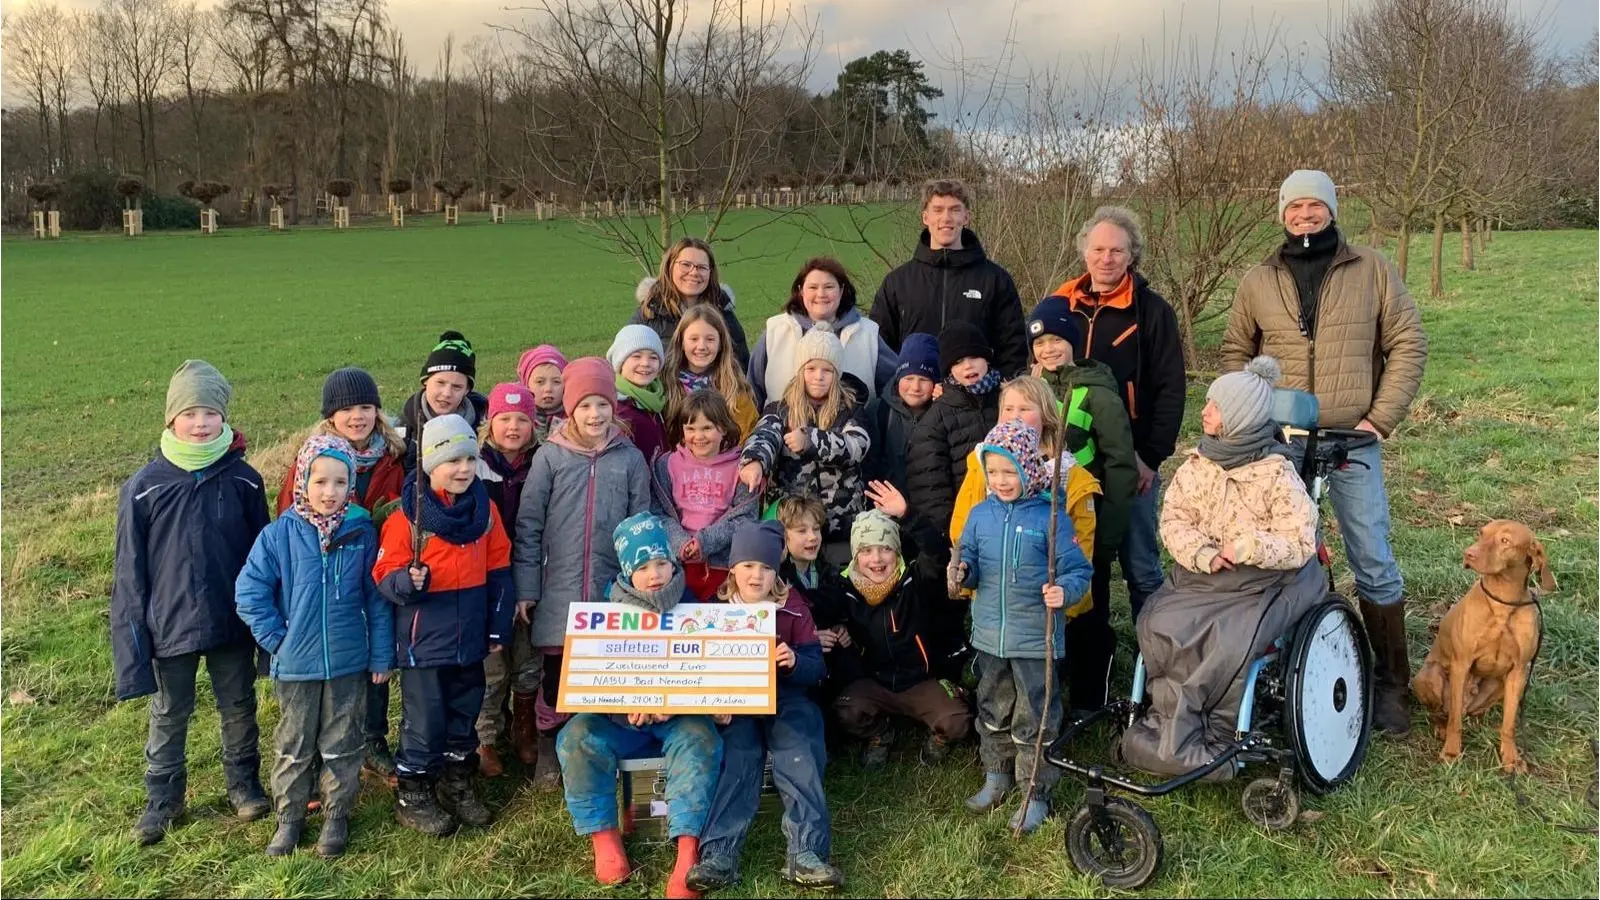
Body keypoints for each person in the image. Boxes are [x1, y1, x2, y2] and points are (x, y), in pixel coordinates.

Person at [1220, 169, 1428, 737]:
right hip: (1280, 441)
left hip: (1354, 437)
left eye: (1315, 206)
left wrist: (1379, 418)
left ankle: (1391, 684)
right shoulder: (1258, 278)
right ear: (1281, 214)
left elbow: (1408, 341)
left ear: (1332, 210)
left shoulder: (1373, 269)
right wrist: (1251, 415)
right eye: (1295, 207)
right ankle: (1280, 669)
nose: (1305, 215)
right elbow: (1237, 350)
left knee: (1372, 556)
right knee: (1279, 550)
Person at [1119, 357, 1325, 778]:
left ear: (1239, 418)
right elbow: (1174, 520)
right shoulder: (1197, 467)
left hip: (1263, 581)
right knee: (1158, 620)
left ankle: (1216, 732)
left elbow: (1300, 541)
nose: (1204, 412)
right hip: (1203, 574)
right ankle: (1166, 722)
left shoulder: (1276, 474)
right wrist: (1201, 553)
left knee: (1226, 639)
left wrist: (1250, 545)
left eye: (1213, 406)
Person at [112, 360, 271, 846]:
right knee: (168, 711)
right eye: (190, 412)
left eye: (210, 412)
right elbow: (129, 575)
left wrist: (265, 631)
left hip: (231, 623)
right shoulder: (144, 487)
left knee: (239, 706)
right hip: (170, 627)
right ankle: (163, 799)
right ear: (171, 419)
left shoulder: (245, 480)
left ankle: (243, 784)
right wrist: (133, 651)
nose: (200, 422)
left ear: (224, 418)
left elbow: (264, 559)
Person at [235, 435, 393, 858]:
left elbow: (377, 599)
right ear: (303, 481)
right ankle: (290, 819)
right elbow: (249, 592)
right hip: (296, 665)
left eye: (340, 482)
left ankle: (336, 816)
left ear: (350, 486)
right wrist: (276, 641)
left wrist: (380, 654)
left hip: (348, 662)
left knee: (342, 742)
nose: (330, 492)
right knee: (293, 744)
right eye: (320, 481)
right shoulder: (278, 535)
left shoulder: (361, 533)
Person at [556, 513, 720, 900]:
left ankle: (687, 852)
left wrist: (674, 702)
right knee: (575, 737)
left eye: (662, 563)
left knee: (701, 740)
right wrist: (622, 702)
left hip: (677, 720)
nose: (655, 574)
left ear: (673, 563)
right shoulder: (603, 611)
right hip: (620, 721)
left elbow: (707, 673)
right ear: (628, 572)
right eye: (643, 567)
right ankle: (604, 836)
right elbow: (590, 679)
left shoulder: (694, 605)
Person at [372, 414, 516, 836]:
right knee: (425, 720)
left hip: (470, 638)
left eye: (470, 459)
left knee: (463, 714)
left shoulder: (484, 511)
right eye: (453, 461)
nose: (464, 469)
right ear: (431, 464)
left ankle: (457, 782)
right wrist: (407, 582)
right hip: (424, 643)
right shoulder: (408, 517)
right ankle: (414, 790)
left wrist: (497, 627)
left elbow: (500, 570)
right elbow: (384, 575)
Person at [1046, 207, 1186, 631]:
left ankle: (1157, 660)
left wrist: (1150, 456)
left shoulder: (1151, 311)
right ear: (1084, 253)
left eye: (1117, 250)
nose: (1106, 258)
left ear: (1131, 255)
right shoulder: (1059, 302)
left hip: (1131, 460)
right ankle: (1084, 651)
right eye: (1098, 249)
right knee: (1075, 555)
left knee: (1140, 564)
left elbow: (1171, 390)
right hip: (1072, 461)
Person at [950, 420, 1094, 835]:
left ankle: (1036, 790)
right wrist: (965, 572)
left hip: (1036, 638)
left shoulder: (1051, 517)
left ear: (1029, 469)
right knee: (992, 705)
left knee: (1036, 714)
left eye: (1009, 471)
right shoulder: (979, 516)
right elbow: (972, 562)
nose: (1000, 480)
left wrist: (1063, 592)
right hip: (991, 635)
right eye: (993, 472)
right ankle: (997, 772)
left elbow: (1078, 569)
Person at [513, 357, 652, 785]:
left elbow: (639, 522)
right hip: (559, 588)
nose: (595, 415)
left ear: (614, 407)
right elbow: (529, 524)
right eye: (586, 406)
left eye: (603, 405)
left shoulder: (629, 459)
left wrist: (638, 584)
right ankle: (548, 747)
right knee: (558, 677)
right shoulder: (551, 457)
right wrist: (527, 587)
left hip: (610, 588)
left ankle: (595, 752)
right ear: (571, 410)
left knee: (605, 676)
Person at [689, 521, 842, 892]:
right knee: (738, 756)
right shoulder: (716, 608)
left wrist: (794, 661)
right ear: (733, 569)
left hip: (787, 698)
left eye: (765, 567)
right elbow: (698, 666)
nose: (756, 575)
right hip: (736, 703)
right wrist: (713, 703)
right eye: (747, 566)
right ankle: (719, 853)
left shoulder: (791, 606)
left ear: (776, 570)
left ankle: (807, 852)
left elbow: (816, 666)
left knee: (798, 752)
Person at [271, 366, 406, 780]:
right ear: (331, 415)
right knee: (328, 672)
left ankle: (372, 738)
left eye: (365, 406)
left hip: (376, 568)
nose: (357, 416)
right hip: (326, 573)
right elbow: (288, 516)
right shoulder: (311, 457)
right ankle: (313, 751)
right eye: (346, 408)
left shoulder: (393, 456)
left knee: (376, 655)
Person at [1026, 298, 1139, 714]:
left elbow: (1121, 467)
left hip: (1087, 528)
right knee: (1051, 606)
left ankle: (1092, 699)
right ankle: (1054, 685)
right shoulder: (1033, 389)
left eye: (1056, 340)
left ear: (1072, 341)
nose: (1048, 350)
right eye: (1040, 344)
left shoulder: (1097, 393)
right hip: (1040, 524)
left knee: (1090, 613)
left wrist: (1107, 538)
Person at [832, 510, 973, 768]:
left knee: (958, 721)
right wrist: (830, 629)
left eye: (885, 548)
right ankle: (880, 732)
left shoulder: (917, 581)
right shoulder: (844, 588)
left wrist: (909, 516)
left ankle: (939, 737)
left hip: (921, 681)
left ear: (897, 552)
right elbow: (814, 607)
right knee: (844, 711)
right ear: (855, 556)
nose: (876, 559)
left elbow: (938, 555)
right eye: (866, 551)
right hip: (875, 682)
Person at [738, 322, 871, 567]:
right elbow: (764, 435)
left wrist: (811, 440)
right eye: (811, 368)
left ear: (837, 374)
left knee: (836, 594)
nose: (818, 377)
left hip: (841, 529)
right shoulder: (780, 409)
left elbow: (856, 446)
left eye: (827, 370)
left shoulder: (852, 410)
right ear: (801, 371)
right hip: (793, 529)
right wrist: (755, 461)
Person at [869, 178, 1028, 378]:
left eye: (954, 210)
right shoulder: (897, 282)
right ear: (925, 217)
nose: (946, 218)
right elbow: (879, 349)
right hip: (915, 402)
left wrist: (998, 393)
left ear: (966, 217)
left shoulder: (995, 280)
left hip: (978, 403)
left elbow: (1013, 349)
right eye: (938, 210)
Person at [475, 384, 542, 776]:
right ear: (491, 423)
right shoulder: (477, 465)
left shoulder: (543, 463)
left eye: (522, 419)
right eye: (505, 419)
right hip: (489, 580)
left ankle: (525, 729)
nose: (513, 427)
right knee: (492, 664)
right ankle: (485, 737)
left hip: (532, 572)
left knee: (528, 658)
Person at [651, 390, 760, 601]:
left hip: (724, 567)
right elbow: (658, 513)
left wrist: (705, 541)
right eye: (690, 429)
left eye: (707, 428)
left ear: (723, 428)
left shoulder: (741, 468)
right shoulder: (667, 465)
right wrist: (680, 543)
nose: (698, 437)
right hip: (677, 566)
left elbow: (745, 518)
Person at [748, 257, 898, 408]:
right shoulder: (776, 330)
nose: (821, 294)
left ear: (841, 290)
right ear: (801, 291)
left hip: (852, 429)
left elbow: (899, 388)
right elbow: (752, 393)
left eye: (829, 287)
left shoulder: (868, 333)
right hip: (783, 429)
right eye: (813, 287)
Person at [630, 236, 750, 367]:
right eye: (686, 265)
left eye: (702, 267)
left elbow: (742, 368)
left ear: (710, 272)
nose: (694, 272)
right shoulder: (647, 316)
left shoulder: (724, 315)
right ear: (669, 267)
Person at [663, 306, 761, 439]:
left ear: (721, 343)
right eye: (694, 339)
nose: (701, 346)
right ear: (681, 342)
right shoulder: (665, 384)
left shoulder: (734, 386)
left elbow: (747, 435)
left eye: (710, 339)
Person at [400, 331, 489, 472]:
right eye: (440, 383)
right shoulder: (403, 429)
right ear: (425, 381)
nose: (447, 393)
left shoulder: (484, 426)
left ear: (467, 390)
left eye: (457, 387)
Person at [863, 332, 939, 493]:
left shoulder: (943, 412)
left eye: (924, 379)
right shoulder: (879, 412)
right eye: (909, 378)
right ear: (898, 378)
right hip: (883, 507)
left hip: (929, 508)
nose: (915, 387)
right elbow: (868, 467)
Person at [608, 324, 670, 464]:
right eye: (636, 356)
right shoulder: (615, 407)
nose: (645, 363)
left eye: (653, 358)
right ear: (620, 362)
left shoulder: (660, 399)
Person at [516, 345, 568, 444]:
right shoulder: (517, 417)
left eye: (556, 382)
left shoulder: (574, 417)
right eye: (540, 382)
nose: (548, 389)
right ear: (526, 383)